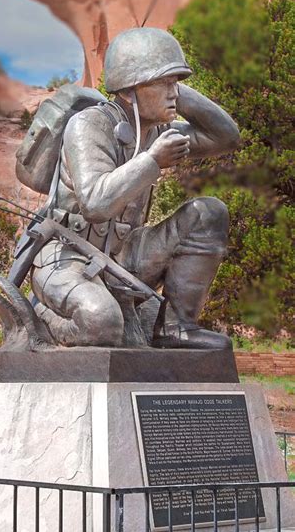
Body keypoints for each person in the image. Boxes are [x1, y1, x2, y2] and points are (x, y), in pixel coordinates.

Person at [29, 27, 240, 350]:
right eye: (163, 83)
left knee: (208, 213)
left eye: (176, 83)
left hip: (124, 255)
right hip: (67, 256)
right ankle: (41, 315)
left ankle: (177, 328)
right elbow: (96, 204)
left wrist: (173, 88)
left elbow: (225, 137)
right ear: (129, 90)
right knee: (102, 325)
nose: (174, 92)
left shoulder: (157, 130)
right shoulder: (89, 125)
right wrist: (152, 161)